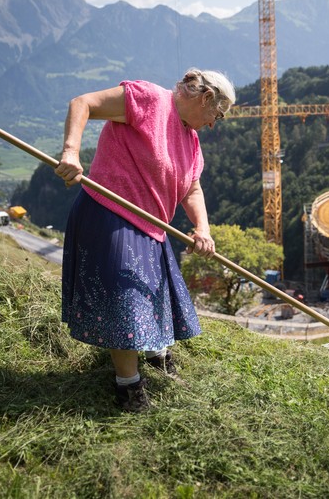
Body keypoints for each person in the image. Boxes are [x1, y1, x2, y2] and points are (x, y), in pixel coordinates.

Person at [54, 68, 235, 412]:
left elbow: (191, 187)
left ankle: (156, 358)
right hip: (111, 214)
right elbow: (83, 103)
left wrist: (203, 229)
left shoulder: (191, 141)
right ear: (206, 98)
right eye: (217, 114)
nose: (215, 123)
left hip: (152, 227)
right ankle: (129, 388)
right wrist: (71, 152)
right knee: (127, 300)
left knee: (155, 296)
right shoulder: (149, 99)